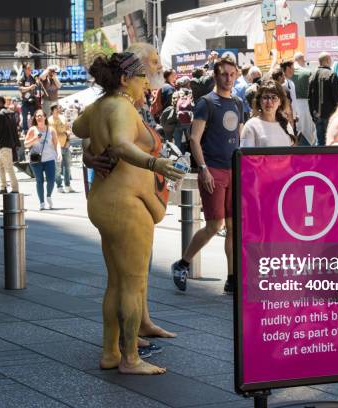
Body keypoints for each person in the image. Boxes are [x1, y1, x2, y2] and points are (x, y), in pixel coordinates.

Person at [73, 52, 184, 375]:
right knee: (132, 285)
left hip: (105, 201)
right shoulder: (121, 106)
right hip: (126, 203)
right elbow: (120, 143)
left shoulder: (101, 105)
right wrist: (155, 162)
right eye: (141, 77)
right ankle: (131, 358)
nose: (146, 83)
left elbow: (81, 128)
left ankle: (110, 352)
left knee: (117, 282)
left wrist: (91, 151)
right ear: (125, 80)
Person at [171, 56, 243, 294]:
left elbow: (239, 139)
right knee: (214, 225)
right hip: (213, 169)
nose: (228, 78)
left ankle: (232, 279)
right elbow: (194, 139)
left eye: (232, 74)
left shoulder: (238, 103)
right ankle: (182, 264)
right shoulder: (206, 102)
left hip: (235, 169)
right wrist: (203, 169)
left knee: (233, 227)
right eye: (224, 74)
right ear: (215, 75)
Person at [240, 80, 297, 147]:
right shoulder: (251, 126)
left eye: (274, 97)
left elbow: (292, 154)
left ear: (280, 102)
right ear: (259, 101)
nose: (269, 101)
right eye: (265, 97)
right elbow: (247, 156)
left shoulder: (286, 125)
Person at [24, 110, 61, 210]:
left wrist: (59, 153)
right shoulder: (32, 129)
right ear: (35, 118)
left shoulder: (51, 129)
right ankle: (42, 202)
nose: (39, 117)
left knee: (51, 180)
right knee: (39, 181)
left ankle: (48, 196)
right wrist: (35, 139)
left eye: (41, 116)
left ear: (45, 117)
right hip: (36, 160)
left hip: (49, 159)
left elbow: (56, 143)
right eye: (37, 116)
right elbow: (26, 144)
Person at [308, 52, 338, 146]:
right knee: (330, 140)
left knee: (320, 141)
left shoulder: (312, 75)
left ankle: (320, 159)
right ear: (327, 60)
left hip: (317, 115)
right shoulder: (332, 74)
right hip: (330, 114)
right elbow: (337, 96)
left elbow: (309, 98)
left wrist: (312, 114)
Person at [0, 96, 20, 194]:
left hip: (4, 144)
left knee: (8, 167)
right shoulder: (10, 113)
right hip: (10, 143)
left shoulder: (0, 115)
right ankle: (3, 186)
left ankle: (15, 188)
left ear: (0, 102)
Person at [49, 104, 75, 193]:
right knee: (58, 168)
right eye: (57, 108)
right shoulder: (49, 120)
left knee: (67, 167)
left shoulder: (63, 118)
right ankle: (59, 186)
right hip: (56, 147)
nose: (59, 109)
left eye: (59, 108)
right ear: (52, 110)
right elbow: (53, 134)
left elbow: (68, 129)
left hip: (66, 145)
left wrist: (68, 139)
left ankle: (67, 185)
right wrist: (64, 133)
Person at [292, 52, 316, 145]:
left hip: (292, 105)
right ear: (301, 59)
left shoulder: (287, 73)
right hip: (305, 104)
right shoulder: (307, 72)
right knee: (308, 131)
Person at [18, 62, 40, 134]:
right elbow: (21, 89)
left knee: (34, 116)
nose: (30, 70)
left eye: (30, 68)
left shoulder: (32, 77)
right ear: (24, 69)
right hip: (25, 100)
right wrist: (30, 87)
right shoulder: (22, 78)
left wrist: (37, 82)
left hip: (32, 100)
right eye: (28, 68)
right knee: (24, 117)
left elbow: (35, 86)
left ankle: (35, 129)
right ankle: (25, 130)